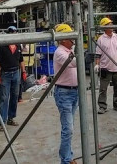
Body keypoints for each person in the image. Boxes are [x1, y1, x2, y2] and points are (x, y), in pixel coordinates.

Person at [52, 24, 79, 164]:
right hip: (64, 93)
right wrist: (83, 59)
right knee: (68, 129)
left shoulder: (69, 50)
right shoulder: (59, 52)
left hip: (74, 92)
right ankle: (66, 160)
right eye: (70, 37)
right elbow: (73, 63)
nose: (73, 40)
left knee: (69, 127)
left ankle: (68, 155)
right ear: (62, 39)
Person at [0, 26, 24, 131]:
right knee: (4, 98)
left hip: (16, 72)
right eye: (12, 32)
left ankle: (11, 118)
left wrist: (23, 72)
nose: (14, 34)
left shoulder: (18, 46)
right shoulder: (2, 47)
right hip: (5, 74)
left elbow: (21, 60)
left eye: (15, 32)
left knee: (14, 96)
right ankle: (2, 122)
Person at [94, 17, 117, 114]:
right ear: (104, 27)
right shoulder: (101, 39)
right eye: (109, 25)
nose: (111, 26)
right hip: (105, 68)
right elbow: (98, 54)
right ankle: (102, 106)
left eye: (111, 24)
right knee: (103, 88)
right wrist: (97, 64)